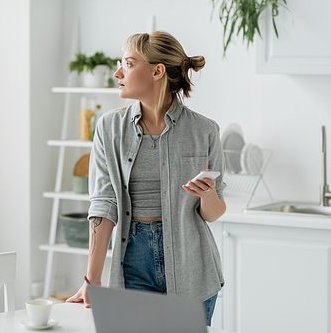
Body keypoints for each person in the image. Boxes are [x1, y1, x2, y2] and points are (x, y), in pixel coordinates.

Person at [66, 31, 227, 326]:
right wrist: (92, 277)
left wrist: (208, 195)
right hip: (133, 262)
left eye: (127, 64)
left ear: (157, 71)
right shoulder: (109, 128)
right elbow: (104, 203)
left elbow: (213, 213)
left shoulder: (204, 131)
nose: (117, 73)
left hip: (193, 266)